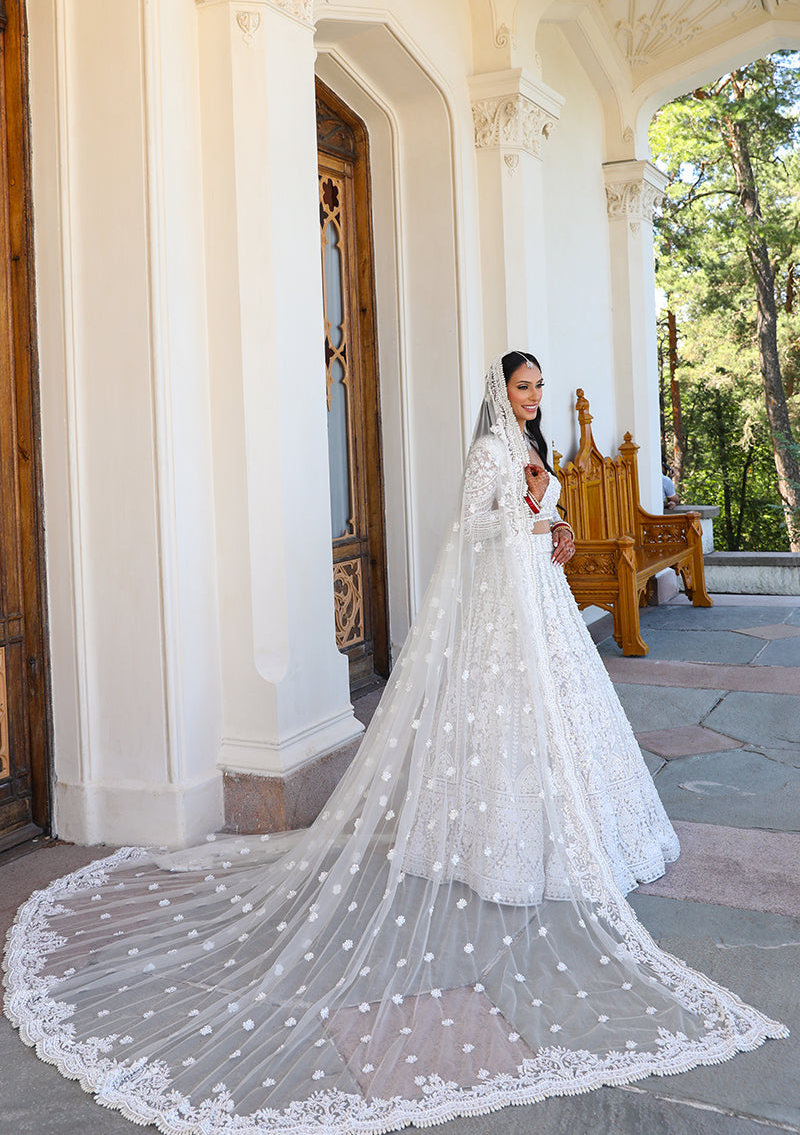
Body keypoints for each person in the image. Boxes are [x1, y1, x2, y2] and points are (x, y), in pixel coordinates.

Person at [4, 352, 787, 1134]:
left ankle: (573, 833)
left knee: (566, 726)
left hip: (540, 601)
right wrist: (528, 504)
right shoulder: (490, 451)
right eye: (524, 387)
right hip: (504, 617)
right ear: (500, 392)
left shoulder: (528, 445)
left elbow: (536, 515)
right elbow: (474, 528)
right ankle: (495, 843)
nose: (533, 397)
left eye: (539, 386)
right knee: (507, 729)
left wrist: (560, 521)